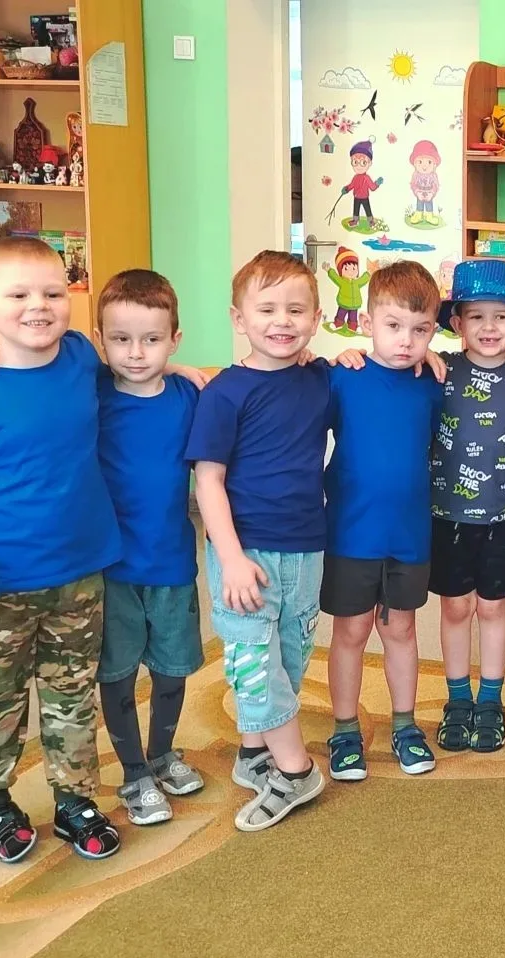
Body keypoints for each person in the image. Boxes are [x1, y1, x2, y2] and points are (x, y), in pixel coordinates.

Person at [0, 269, 214, 827]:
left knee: (173, 670)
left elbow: (240, 394)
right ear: (99, 341)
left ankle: (163, 755)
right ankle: (134, 772)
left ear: (175, 339)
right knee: (114, 674)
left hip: (172, 563)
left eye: (152, 340)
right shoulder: (89, 386)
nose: (136, 352)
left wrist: (183, 369)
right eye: (120, 339)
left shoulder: (188, 394)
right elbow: (24, 364)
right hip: (108, 567)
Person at [0, 236, 123, 861]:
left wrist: (181, 370)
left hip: (80, 572)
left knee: (73, 695)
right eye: (17, 295)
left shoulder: (80, 355)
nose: (38, 305)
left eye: (52, 292)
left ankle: (74, 799)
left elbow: (132, 367)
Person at [186, 249, 330, 831]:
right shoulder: (224, 392)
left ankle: (254, 753)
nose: (282, 321)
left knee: (289, 657)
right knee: (252, 660)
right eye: (266, 309)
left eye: (296, 309)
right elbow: (208, 481)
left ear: (317, 318)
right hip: (244, 552)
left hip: (307, 548)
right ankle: (296, 771)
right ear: (238, 318)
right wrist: (230, 558)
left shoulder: (319, 377)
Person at [320, 262, 445, 781]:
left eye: (420, 330)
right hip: (351, 533)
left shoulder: (433, 382)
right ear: (368, 322)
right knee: (350, 632)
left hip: (410, 536)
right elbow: (293, 377)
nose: (406, 341)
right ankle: (345, 729)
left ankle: (404, 725)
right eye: (393, 326)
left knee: (402, 630)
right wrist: (331, 355)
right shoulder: (341, 378)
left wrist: (433, 358)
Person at [429, 260, 505, 755]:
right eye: (476, 316)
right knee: (455, 607)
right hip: (446, 514)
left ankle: (491, 699)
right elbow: (387, 361)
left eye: (501, 317)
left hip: (503, 515)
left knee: (494, 607)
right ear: (457, 322)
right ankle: (458, 698)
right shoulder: (437, 371)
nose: (489, 327)